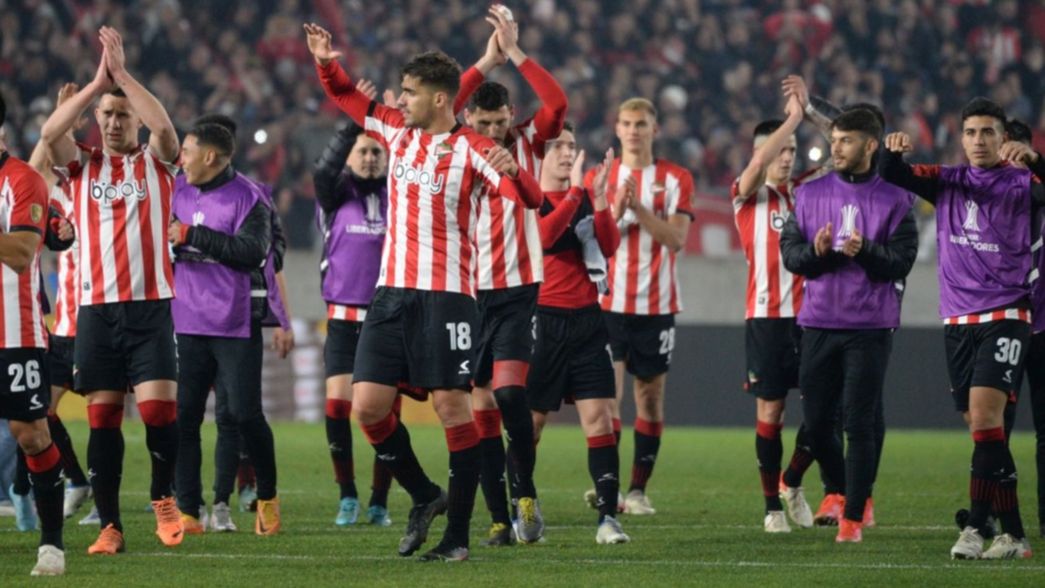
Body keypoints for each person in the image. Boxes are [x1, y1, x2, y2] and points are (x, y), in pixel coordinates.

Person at [305, 22, 542, 561]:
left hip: (449, 297)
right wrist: (325, 62)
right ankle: (423, 495)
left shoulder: (473, 148)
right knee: (366, 407)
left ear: (437, 99)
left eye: (409, 92)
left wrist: (518, 173)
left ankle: (456, 537)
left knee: (452, 409)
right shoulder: (395, 131)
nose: (400, 99)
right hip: (389, 295)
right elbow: (343, 95)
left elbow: (527, 199)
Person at [880, 97, 1045, 559]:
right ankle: (1012, 534)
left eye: (988, 133)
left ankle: (974, 527)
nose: (978, 141)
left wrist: (1036, 160)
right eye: (971, 133)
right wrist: (891, 151)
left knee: (987, 419)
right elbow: (892, 175)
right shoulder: (948, 180)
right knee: (982, 429)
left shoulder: (1020, 181)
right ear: (961, 137)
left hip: (1006, 315)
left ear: (1003, 138)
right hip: (956, 321)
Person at [40, 27, 183, 554]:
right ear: (96, 122)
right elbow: (49, 133)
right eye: (107, 116)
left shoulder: (156, 163)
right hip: (96, 312)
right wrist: (96, 85)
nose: (116, 122)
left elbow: (165, 129)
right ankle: (110, 525)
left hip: (150, 309)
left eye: (123, 114)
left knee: (158, 414)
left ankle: (163, 497)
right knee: (102, 418)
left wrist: (122, 78)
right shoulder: (80, 166)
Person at [453, 6, 567, 545]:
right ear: (470, 120)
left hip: (519, 292)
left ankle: (524, 489)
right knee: (479, 417)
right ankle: (500, 519)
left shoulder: (525, 142)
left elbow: (559, 104)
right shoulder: (453, 146)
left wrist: (515, 52)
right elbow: (442, 104)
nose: (495, 133)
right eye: (485, 124)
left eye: (501, 123)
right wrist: (485, 61)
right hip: (467, 296)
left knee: (508, 395)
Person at [781, 108, 918, 544]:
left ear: (870, 146)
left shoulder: (897, 198)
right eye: (834, 139)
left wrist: (865, 251)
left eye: (845, 140)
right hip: (818, 323)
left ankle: (853, 517)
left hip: (870, 326)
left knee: (858, 422)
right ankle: (839, 491)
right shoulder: (808, 194)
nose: (835, 147)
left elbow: (900, 264)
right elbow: (791, 256)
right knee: (818, 424)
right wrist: (819, 251)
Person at [583, 97, 694, 516]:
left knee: (649, 398)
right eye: (627, 123)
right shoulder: (600, 176)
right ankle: (609, 489)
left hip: (657, 303)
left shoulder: (676, 178)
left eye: (641, 124)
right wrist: (614, 213)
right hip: (608, 304)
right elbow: (590, 237)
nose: (633, 130)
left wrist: (639, 209)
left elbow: (677, 239)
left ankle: (638, 490)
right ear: (616, 128)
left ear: (655, 129)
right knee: (606, 398)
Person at [170, 122, 281, 537]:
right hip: (186, 320)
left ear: (210, 157)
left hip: (234, 323)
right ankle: (188, 508)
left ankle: (267, 498)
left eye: (187, 151)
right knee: (184, 418)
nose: (181, 158)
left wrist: (190, 235)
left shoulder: (250, 197)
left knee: (244, 416)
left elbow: (252, 252)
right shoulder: (176, 189)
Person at [530, 125, 629, 544]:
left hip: (588, 319)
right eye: (559, 146)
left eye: (572, 145)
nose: (568, 153)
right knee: (531, 425)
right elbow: (546, 237)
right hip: (543, 320)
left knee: (599, 418)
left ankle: (608, 518)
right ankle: (524, 503)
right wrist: (576, 192)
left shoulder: (586, 197)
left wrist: (602, 199)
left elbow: (607, 246)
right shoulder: (528, 198)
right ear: (541, 154)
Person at [732, 92, 822, 533]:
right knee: (771, 413)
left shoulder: (808, 192)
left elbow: (852, 148)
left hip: (813, 318)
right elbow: (755, 167)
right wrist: (791, 120)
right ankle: (771, 508)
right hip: (766, 317)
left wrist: (810, 115)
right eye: (780, 150)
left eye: (792, 150)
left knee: (824, 410)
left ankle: (792, 481)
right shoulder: (746, 196)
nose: (787, 157)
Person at [312, 97, 396, 527]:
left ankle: (380, 499)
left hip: (387, 319)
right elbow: (321, 171)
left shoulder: (397, 194)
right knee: (337, 406)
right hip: (343, 318)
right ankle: (348, 496)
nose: (368, 157)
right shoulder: (334, 194)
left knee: (385, 412)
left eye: (375, 151)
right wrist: (351, 125)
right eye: (362, 151)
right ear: (349, 156)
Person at [0, 90, 68, 576]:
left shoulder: (24, 181)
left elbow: (23, 253)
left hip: (15, 331)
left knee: (31, 434)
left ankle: (52, 545)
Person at [26, 83, 91, 523]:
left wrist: (65, 113)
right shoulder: (48, 196)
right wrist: (60, 112)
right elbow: (33, 162)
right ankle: (80, 480)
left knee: (114, 412)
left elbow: (53, 144)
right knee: (40, 411)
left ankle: (173, 491)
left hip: (105, 315)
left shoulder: (95, 183)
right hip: (65, 322)